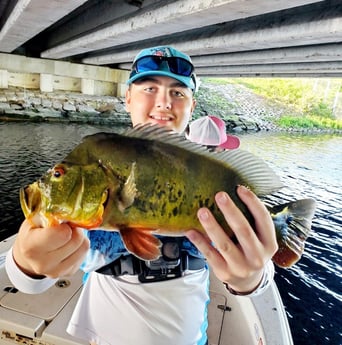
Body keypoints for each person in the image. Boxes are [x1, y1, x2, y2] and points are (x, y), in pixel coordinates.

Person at [6, 46, 277, 345]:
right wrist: (27, 263)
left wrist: (249, 279)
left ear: (192, 105)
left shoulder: (208, 177)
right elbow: (30, 280)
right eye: (149, 88)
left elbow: (258, 275)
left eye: (178, 93)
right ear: (128, 99)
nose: (163, 102)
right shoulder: (92, 195)